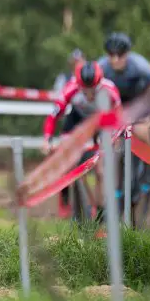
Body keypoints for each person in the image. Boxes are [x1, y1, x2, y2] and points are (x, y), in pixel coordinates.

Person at [97, 32, 150, 221]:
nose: (114, 59)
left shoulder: (140, 67)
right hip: (117, 109)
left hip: (140, 106)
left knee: (142, 132)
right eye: (110, 55)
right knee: (108, 145)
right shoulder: (102, 68)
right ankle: (110, 191)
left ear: (127, 54)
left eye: (119, 55)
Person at [43, 61, 122, 221]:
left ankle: (100, 209)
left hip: (100, 122)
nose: (88, 95)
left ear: (99, 83)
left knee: (101, 170)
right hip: (76, 121)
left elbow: (119, 118)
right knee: (71, 165)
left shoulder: (110, 90)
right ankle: (70, 199)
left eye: (92, 90)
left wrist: (115, 138)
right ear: (78, 85)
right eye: (84, 91)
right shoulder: (70, 89)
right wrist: (47, 139)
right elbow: (53, 116)